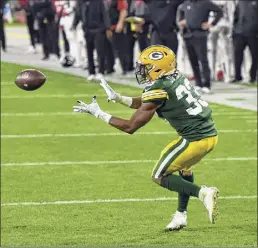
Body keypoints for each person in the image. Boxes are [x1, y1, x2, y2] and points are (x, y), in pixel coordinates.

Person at [73, 45, 219, 231]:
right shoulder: (174, 77)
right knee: (185, 169)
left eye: (146, 67)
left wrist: (98, 113)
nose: (142, 71)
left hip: (194, 140)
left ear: (159, 68)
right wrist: (119, 98)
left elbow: (130, 126)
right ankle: (181, 216)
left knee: (158, 176)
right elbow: (148, 101)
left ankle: (203, 193)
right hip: (210, 136)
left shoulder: (160, 86)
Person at [178, 0, 223, 94]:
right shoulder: (186, 4)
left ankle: (206, 84)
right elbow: (181, 14)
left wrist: (212, 24)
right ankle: (198, 83)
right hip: (187, 35)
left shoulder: (205, 3)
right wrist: (181, 22)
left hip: (200, 35)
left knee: (203, 60)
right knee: (193, 61)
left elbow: (219, 11)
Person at [232, 0, 258, 84]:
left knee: (255, 56)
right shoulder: (240, 2)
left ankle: (253, 77)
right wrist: (234, 31)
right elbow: (236, 16)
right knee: (237, 56)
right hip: (239, 33)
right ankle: (237, 77)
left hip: (253, 33)